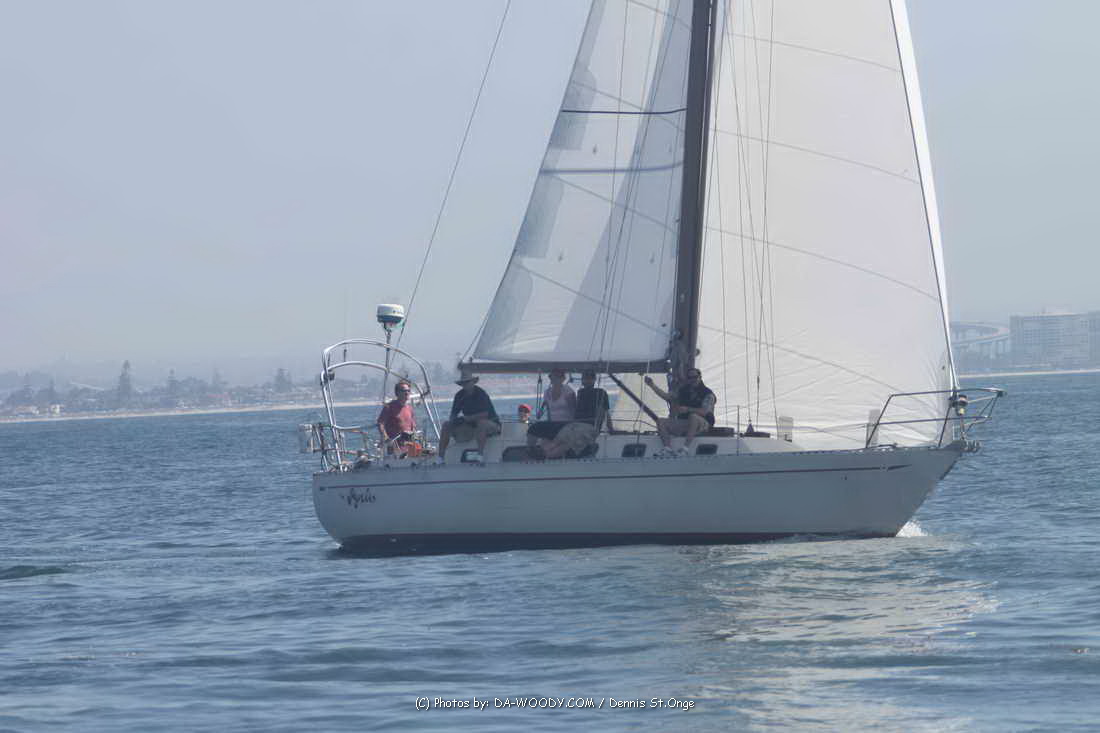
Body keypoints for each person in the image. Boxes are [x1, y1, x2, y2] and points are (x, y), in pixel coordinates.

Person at [644, 368, 716, 455]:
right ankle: (667, 448)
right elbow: (667, 397)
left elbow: (706, 411)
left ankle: (685, 448)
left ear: (700, 377)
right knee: (660, 421)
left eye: (695, 377)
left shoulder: (707, 393)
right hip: (686, 423)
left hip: (703, 424)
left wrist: (688, 409)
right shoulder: (683, 390)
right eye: (690, 378)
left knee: (693, 416)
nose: (692, 379)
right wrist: (652, 385)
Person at [437, 372, 501, 463]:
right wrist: (454, 421)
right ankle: (440, 458)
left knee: (481, 423)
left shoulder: (481, 394)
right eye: (464, 383)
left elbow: (485, 414)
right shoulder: (459, 395)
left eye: (468, 382)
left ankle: (480, 456)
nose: (466, 385)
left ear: (473, 382)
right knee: (446, 425)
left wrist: (466, 418)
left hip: (491, 423)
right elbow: (454, 413)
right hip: (471, 426)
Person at [376, 379, 417, 454]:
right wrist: (386, 438)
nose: (407, 393)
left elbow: (413, 427)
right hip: (395, 448)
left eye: (408, 390)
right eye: (404, 391)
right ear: (397, 393)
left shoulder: (409, 408)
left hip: (409, 447)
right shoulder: (389, 407)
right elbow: (380, 423)